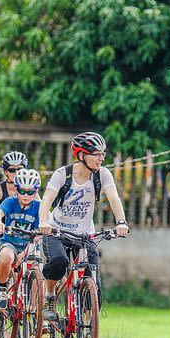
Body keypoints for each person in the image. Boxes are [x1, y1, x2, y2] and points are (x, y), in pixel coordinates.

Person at [38, 132, 130, 321]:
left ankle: (89, 327)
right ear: (81, 155)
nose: (101, 158)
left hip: (84, 234)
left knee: (93, 278)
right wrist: (43, 222)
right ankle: (49, 296)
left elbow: (114, 198)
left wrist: (121, 221)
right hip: (57, 231)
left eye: (103, 153)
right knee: (59, 262)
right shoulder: (63, 174)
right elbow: (46, 200)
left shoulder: (102, 174)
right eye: (96, 153)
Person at [0, 169, 42, 336]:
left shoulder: (39, 206)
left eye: (30, 192)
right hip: (10, 243)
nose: (26, 195)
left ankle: (34, 311)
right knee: (6, 257)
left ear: (36, 191)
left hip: (29, 246)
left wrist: (45, 228)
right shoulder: (9, 202)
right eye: (22, 191)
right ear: (16, 189)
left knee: (38, 272)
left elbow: (46, 221)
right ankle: (2, 289)